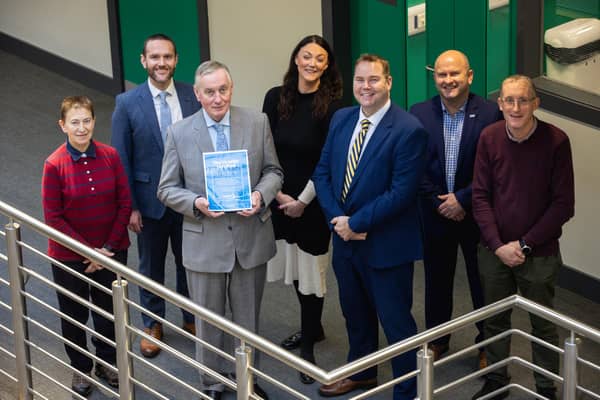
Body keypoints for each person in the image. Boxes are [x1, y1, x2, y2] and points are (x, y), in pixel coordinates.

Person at [157, 60, 283, 400]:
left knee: (247, 321)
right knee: (209, 321)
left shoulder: (257, 122)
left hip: (249, 239)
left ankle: (247, 378)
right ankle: (211, 382)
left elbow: (274, 171)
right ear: (197, 94)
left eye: (223, 90)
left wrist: (260, 194)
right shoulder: (179, 132)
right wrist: (196, 203)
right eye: (209, 92)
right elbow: (166, 189)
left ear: (231, 88)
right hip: (205, 240)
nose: (217, 98)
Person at [313, 54, 428, 400]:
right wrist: (339, 222)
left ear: (389, 82)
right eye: (360, 80)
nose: (366, 87)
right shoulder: (342, 118)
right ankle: (361, 372)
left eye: (374, 80)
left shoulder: (409, 130)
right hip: (346, 244)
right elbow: (322, 173)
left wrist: (357, 223)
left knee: (397, 323)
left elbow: (401, 193)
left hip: (386, 246)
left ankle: (407, 391)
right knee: (355, 314)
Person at [471, 75, 574, 400]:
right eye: (509, 100)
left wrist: (525, 244)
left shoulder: (556, 141)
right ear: (500, 104)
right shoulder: (489, 137)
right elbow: (480, 197)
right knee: (495, 320)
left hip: (539, 253)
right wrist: (499, 245)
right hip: (494, 251)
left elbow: (563, 205)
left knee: (543, 324)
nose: (516, 107)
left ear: (535, 104)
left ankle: (547, 387)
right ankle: (496, 381)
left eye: (523, 100)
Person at [409, 50, 502, 367]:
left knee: (482, 282)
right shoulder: (419, 113)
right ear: (434, 77)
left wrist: (461, 199)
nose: (448, 80)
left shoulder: (491, 114)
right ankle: (437, 340)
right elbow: (414, 167)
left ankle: (487, 344)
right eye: (441, 74)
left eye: (454, 74)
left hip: (477, 214)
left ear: (470, 76)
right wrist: (440, 201)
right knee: (436, 281)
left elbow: (494, 170)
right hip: (435, 213)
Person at [111, 33, 200, 358]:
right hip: (148, 204)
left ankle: (191, 317)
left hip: (190, 200)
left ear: (176, 60)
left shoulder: (193, 97)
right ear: (143, 61)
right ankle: (152, 322)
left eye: (167, 57)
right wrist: (130, 207)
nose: (161, 63)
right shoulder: (127, 103)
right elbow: (121, 160)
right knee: (151, 265)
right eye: (155, 57)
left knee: (190, 263)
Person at [262, 34, 343, 384]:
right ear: (296, 59)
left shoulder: (334, 106)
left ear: (327, 66)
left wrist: (303, 201)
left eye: (320, 59)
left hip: (313, 204)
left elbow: (328, 161)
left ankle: (308, 345)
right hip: (279, 197)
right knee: (294, 269)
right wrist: (279, 196)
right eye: (306, 56)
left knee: (312, 276)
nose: (312, 63)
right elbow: (263, 148)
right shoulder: (275, 97)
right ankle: (315, 327)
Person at [42, 96, 132, 397]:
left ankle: (108, 363)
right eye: (74, 122)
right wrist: (88, 253)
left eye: (86, 121)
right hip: (70, 257)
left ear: (94, 122)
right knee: (74, 315)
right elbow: (53, 218)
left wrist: (107, 248)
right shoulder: (54, 164)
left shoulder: (110, 155)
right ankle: (80, 369)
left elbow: (124, 203)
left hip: (112, 252)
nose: (81, 128)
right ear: (62, 125)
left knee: (109, 312)